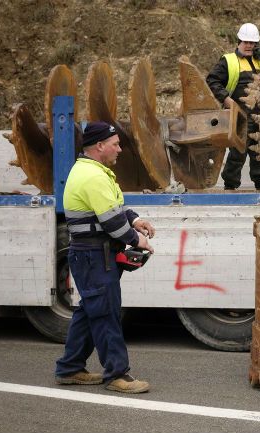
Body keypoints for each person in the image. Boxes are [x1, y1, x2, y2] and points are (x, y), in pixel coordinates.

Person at [54, 121, 155, 394]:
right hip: (94, 255)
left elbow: (114, 208)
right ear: (100, 146)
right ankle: (116, 375)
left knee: (90, 311)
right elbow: (111, 222)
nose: (119, 149)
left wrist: (134, 220)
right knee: (105, 313)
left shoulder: (96, 172)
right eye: (115, 144)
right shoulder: (93, 176)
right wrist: (137, 240)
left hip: (94, 254)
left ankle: (70, 368)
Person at [206, 22, 260, 191]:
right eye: (246, 42)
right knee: (237, 152)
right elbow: (212, 80)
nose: (249, 46)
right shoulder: (228, 60)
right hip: (239, 113)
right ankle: (230, 184)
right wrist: (226, 99)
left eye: (252, 43)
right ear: (239, 42)